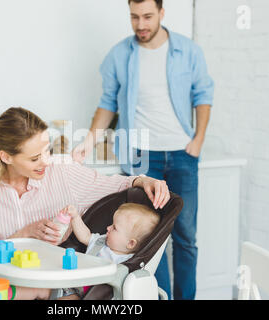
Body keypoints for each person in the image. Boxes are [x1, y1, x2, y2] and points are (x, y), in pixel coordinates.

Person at [71, 0, 214, 299]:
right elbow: (107, 103)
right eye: (134, 17)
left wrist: (198, 139)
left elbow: (203, 94)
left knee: (186, 236)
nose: (141, 24)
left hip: (181, 154)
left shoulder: (188, 51)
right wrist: (88, 142)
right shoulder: (119, 55)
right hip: (141, 157)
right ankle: (155, 296)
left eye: (148, 16)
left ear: (162, 13)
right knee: (150, 241)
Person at [0, 106, 171, 293]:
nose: (46, 161)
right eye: (35, 158)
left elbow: (113, 184)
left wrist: (143, 182)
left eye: (47, 150)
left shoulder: (62, 170)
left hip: (47, 286)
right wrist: (23, 236)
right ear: (6, 157)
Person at [11, 202, 160, 300]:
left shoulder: (126, 263)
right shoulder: (101, 242)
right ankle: (5, 293)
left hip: (85, 294)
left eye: (114, 228)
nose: (108, 228)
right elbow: (85, 235)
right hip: (68, 282)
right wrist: (75, 217)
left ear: (130, 243)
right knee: (37, 288)